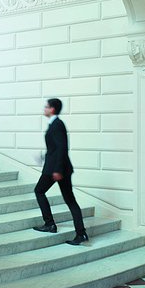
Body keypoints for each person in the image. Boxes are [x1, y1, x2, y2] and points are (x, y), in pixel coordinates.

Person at [33, 98, 88, 245]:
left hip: (56, 169)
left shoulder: (57, 124)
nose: (44, 109)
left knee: (39, 191)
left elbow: (62, 148)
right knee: (70, 200)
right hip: (57, 167)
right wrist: (44, 157)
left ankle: (50, 224)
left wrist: (57, 170)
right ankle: (81, 234)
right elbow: (55, 148)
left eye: (46, 107)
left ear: (52, 109)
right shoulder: (55, 124)